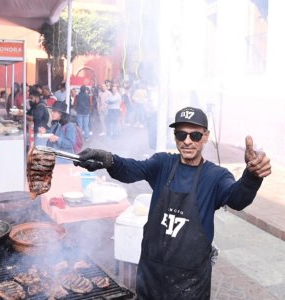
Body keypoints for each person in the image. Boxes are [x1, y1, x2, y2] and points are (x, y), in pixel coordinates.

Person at [73, 106, 271, 299]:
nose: (187, 141)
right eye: (180, 135)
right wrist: (109, 160)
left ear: (206, 136)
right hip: (150, 276)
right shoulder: (162, 164)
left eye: (195, 136)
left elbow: (237, 199)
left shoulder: (216, 176)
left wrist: (251, 178)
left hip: (190, 283)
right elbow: (131, 169)